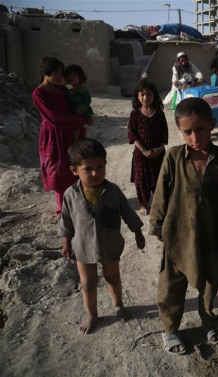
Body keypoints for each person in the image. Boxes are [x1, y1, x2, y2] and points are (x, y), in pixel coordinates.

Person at [149, 97, 218, 355]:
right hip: (178, 232)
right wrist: (157, 223)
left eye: (201, 129)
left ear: (213, 124)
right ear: (179, 131)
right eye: (188, 132)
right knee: (171, 284)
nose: (195, 137)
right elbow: (161, 191)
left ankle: (208, 320)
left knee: (209, 281)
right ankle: (170, 328)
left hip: (210, 233)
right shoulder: (173, 156)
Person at [60, 138, 145, 334]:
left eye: (100, 166)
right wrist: (66, 242)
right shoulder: (70, 195)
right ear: (74, 170)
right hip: (82, 246)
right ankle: (92, 314)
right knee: (88, 282)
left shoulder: (112, 191)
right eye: (88, 169)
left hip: (109, 243)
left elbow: (127, 212)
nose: (95, 173)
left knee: (113, 277)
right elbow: (66, 220)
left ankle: (118, 305)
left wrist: (137, 232)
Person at [32, 56, 90, 216]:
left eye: (61, 72)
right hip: (53, 136)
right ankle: (63, 208)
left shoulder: (64, 90)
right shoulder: (39, 93)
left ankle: (78, 202)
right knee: (57, 170)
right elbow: (55, 118)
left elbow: (77, 104)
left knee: (75, 167)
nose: (59, 76)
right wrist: (79, 120)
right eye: (55, 72)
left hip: (72, 134)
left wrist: (84, 114)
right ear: (45, 72)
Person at [128, 79, 168, 215]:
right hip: (141, 155)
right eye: (142, 94)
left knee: (159, 179)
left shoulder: (159, 114)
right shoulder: (135, 114)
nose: (146, 98)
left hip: (158, 154)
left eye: (149, 94)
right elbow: (132, 135)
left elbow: (164, 133)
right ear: (138, 96)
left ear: (154, 96)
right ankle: (143, 204)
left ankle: (159, 203)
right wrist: (144, 151)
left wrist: (160, 149)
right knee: (141, 182)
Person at [64, 64, 94, 143]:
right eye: (69, 75)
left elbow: (87, 100)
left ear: (80, 78)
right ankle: (76, 140)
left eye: (74, 76)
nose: (71, 78)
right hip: (72, 109)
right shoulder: (68, 87)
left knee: (81, 123)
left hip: (81, 108)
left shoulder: (81, 89)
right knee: (75, 125)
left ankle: (76, 140)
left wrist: (81, 108)